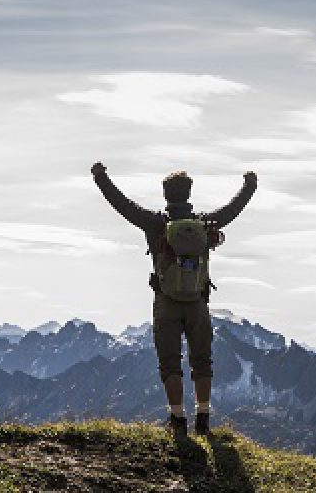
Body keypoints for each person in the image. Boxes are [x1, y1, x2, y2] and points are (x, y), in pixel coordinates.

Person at [91, 162, 257, 437]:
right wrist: (249, 186)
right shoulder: (205, 223)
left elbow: (121, 204)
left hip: (166, 302)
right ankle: (203, 418)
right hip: (198, 302)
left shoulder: (155, 224)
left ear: (165, 194)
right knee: (202, 361)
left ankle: (177, 420)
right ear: (189, 193)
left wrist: (101, 178)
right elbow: (233, 209)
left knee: (170, 361)